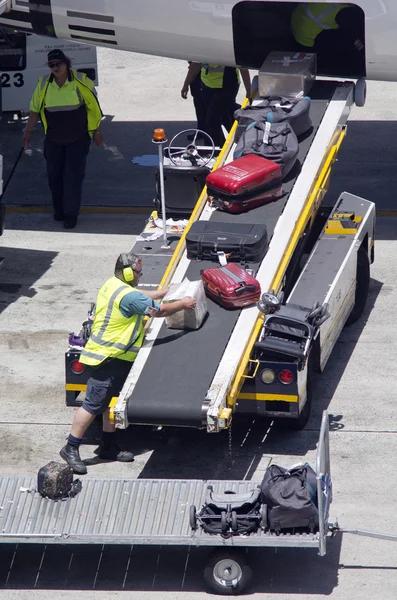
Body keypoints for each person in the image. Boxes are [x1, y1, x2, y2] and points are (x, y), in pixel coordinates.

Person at [59, 252, 197, 474]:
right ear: (128, 272)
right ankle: (71, 447)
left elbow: (138, 294)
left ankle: (108, 445)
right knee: (93, 405)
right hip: (108, 358)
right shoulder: (129, 296)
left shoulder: (113, 285)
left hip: (111, 356)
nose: (141, 275)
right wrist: (183, 303)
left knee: (110, 403)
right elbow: (158, 311)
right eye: (139, 272)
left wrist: (162, 292)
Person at [22, 49, 103, 229]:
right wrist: (27, 132)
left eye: (59, 64)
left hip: (78, 138)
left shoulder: (81, 82)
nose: (56, 68)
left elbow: (94, 109)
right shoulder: (43, 84)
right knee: (54, 177)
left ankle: (70, 214)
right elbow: (35, 110)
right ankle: (59, 210)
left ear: (66, 63)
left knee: (72, 177)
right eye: (52, 65)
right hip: (53, 139)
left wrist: (97, 132)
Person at [181, 63, 251, 147]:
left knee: (212, 120)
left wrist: (249, 91)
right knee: (222, 116)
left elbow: (243, 67)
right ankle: (235, 141)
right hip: (207, 84)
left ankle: (216, 149)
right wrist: (186, 84)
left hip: (227, 84)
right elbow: (196, 64)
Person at [290, 3, 365, 74]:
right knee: (347, 45)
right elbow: (352, 36)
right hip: (307, 38)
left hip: (297, 20)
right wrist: (362, 49)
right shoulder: (344, 11)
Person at [183, 61, 206, 141]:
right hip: (203, 75)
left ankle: (204, 131)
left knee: (201, 105)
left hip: (202, 76)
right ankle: (202, 130)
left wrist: (185, 85)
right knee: (200, 106)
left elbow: (196, 64)